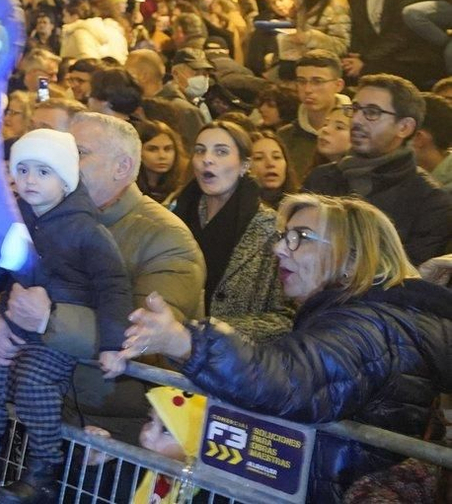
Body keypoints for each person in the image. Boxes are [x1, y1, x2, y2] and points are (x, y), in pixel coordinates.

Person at [117, 194, 452, 503]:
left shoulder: (364, 326)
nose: (278, 249)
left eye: (300, 238)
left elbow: (291, 379)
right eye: (283, 236)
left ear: (351, 258)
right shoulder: (369, 315)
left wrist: (186, 342)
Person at [0, 113, 205, 444]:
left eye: (79, 152)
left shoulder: (167, 239)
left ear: (122, 167)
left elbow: (144, 337)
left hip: (114, 424)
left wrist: (48, 320)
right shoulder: (44, 216)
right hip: (40, 404)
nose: (64, 160)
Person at [0, 130, 131, 504]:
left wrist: (114, 344)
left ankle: (42, 473)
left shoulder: (88, 230)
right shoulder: (14, 219)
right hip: (17, 323)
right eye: (23, 169)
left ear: (65, 179)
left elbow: (114, 287)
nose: (30, 180)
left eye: (43, 172)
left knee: (34, 383)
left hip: (60, 330)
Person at [303, 74, 452, 265]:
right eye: (355, 109)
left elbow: (407, 276)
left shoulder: (429, 201)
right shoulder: (321, 179)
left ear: (404, 127)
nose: (356, 120)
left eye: (372, 112)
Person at [170, 121, 290, 340]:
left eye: (221, 152)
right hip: (169, 351)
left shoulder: (271, 228)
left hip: (233, 360)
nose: (207, 159)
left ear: (245, 165)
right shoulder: (175, 216)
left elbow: (284, 317)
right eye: (200, 151)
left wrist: (214, 331)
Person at [277, 51, 349, 181]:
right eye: (301, 81)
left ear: (338, 85)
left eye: (317, 81)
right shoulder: (285, 136)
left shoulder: (359, 130)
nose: (308, 89)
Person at [133, 118, 188, 204]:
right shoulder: (127, 187)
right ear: (138, 151)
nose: (162, 156)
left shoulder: (184, 186)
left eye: (167, 149)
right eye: (152, 149)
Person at [248, 132, 299, 207]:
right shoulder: (234, 210)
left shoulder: (302, 207)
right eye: (258, 158)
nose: (270, 164)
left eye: (276, 157)